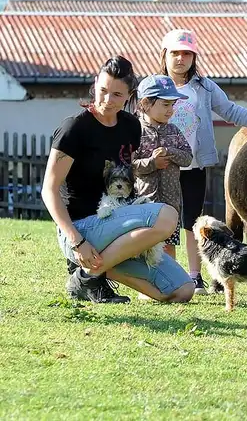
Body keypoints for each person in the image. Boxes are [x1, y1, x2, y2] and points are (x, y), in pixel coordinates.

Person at [41, 56, 194, 304]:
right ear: (95, 84)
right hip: (82, 231)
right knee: (167, 216)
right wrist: (77, 241)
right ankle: (89, 274)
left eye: (116, 95)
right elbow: (49, 190)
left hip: (119, 228)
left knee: (182, 290)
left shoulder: (131, 126)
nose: (107, 100)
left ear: (129, 95)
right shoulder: (74, 129)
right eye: (102, 91)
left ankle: (92, 272)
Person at [159, 29, 247, 294]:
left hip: (194, 166)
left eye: (187, 53)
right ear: (164, 55)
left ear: (194, 57)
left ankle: (195, 277)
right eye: (175, 53)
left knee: (193, 222)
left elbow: (230, 110)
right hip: (162, 168)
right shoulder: (154, 85)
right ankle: (168, 275)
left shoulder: (203, 86)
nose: (181, 59)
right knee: (164, 222)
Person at [132, 74, 193, 259]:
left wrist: (169, 151)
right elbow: (130, 165)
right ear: (145, 103)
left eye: (173, 105)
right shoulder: (135, 131)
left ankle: (169, 285)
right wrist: (152, 163)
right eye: (165, 105)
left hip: (171, 203)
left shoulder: (173, 131)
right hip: (144, 203)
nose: (171, 110)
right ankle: (146, 287)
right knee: (144, 245)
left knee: (168, 247)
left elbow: (188, 158)